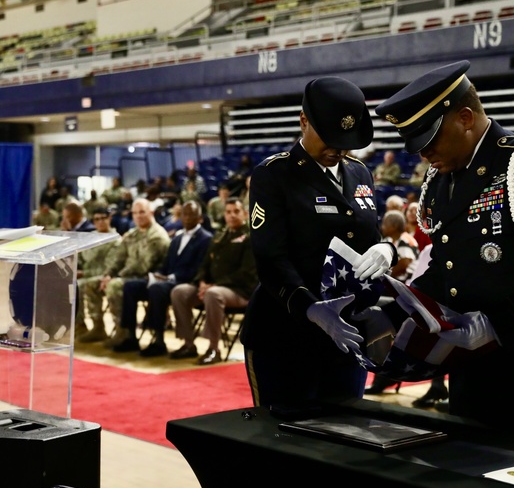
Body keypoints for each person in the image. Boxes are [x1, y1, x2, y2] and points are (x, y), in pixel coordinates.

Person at [375, 60, 514, 435]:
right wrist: (400, 309)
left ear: (465, 117)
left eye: (430, 140)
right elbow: (450, 266)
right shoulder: (443, 176)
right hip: (475, 371)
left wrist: (499, 325)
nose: (423, 154)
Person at [241, 76, 394, 408]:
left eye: (346, 141)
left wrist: (386, 250)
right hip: (286, 333)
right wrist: (310, 308)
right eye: (329, 138)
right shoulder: (274, 174)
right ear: (303, 121)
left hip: (346, 337)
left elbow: (370, 237)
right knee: (286, 441)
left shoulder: (359, 173)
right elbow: (270, 257)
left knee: (345, 436)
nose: (337, 150)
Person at [113, 201, 211, 356]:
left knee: (157, 288)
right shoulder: (178, 238)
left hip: (185, 283)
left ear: (200, 218)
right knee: (131, 286)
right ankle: (131, 336)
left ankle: (159, 340)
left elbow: (198, 269)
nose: (187, 218)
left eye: (192, 214)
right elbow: (166, 264)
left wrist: (168, 277)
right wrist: (157, 274)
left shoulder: (206, 239)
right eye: (184, 214)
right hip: (169, 280)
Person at [171, 197, 258, 364]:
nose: (232, 215)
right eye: (228, 212)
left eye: (236, 212)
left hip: (240, 291)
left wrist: (214, 285)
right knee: (179, 292)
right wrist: (202, 281)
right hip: (212, 287)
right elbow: (204, 264)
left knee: (213, 294)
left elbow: (246, 273)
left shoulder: (250, 237)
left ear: (245, 214)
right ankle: (188, 343)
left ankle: (213, 348)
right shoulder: (219, 236)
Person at [81, 199, 170, 346]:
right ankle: (98, 327)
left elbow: (143, 266)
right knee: (91, 284)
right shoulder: (132, 234)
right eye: (135, 213)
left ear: (151, 213)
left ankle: (123, 331)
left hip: (147, 279)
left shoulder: (157, 236)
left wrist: (116, 277)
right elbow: (118, 259)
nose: (138, 216)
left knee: (114, 286)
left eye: (142, 212)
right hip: (127, 276)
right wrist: (108, 275)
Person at [75, 209, 121, 340]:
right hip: (86, 274)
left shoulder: (115, 240)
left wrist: (83, 273)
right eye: (97, 219)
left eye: (103, 218)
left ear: (109, 219)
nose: (100, 222)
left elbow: (110, 267)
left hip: (105, 276)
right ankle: (78, 325)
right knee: (68, 283)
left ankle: (98, 326)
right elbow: (80, 258)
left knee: (83, 284)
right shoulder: (90, 237)